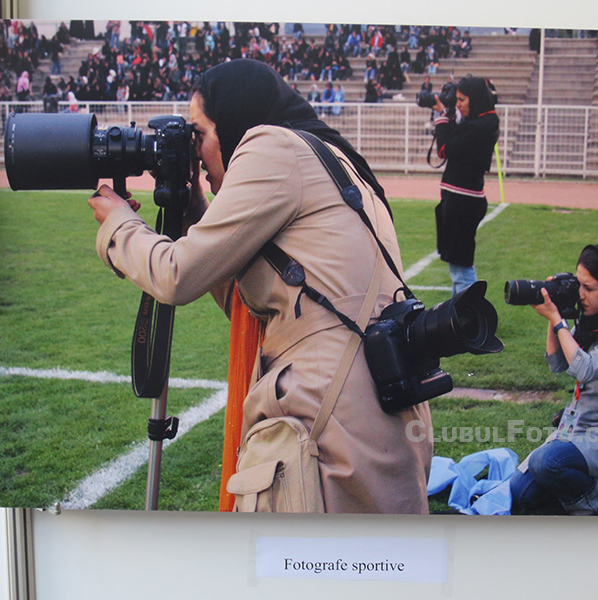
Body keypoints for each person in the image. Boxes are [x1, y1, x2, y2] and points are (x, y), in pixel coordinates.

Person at [87, 58, 433, 514]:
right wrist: (195, 208)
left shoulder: (271, 144)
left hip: (329, 422)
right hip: (375, 407)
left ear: (235, 121)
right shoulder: (330, 157)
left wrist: (117, 223)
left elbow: (175, 274)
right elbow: (255, 307)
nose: (195, 151)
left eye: (200, 134)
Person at [509, 244, 598, 516]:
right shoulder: (594, 319)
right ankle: (582, 486)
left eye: (590, 289)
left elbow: (585, 369)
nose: (581, 295)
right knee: (520, 494)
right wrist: (558, 313)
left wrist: (557, 320)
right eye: (579, 286)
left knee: (547, 464)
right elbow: (557, 363)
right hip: (577, 428)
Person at [431, 76, 498, 296]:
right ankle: (461, 314)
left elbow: (445, 149)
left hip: (463, 201)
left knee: (461, 266)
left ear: (475, 98)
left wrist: (443, 117)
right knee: (457, 264)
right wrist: (452, 115)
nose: (457, 104)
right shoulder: (483, 121)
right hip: (460, 199)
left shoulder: (482, 125)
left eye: (461, 99)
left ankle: (468, 317)